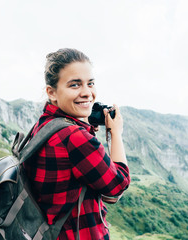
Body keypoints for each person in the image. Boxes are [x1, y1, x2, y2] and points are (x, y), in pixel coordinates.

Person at [23, 48, 130, 240]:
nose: (87, 93)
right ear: (52, 92)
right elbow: (116, 188)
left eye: (90, 83)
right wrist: (116, 133)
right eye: (75, 85)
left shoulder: (44, 125)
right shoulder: (74, 137)